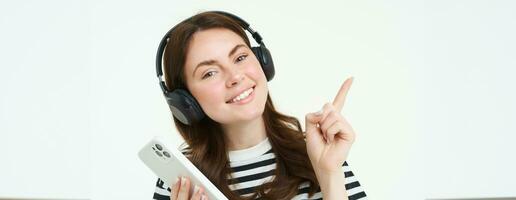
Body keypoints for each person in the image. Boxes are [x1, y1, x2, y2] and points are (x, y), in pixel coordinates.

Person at [152, 11, 367, 200]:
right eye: (210, 73)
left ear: (263, 62)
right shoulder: (183, 178)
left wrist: (329, 175)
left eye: (240, 57)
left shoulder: (319, 153)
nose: (235, 76)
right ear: (185, 100)